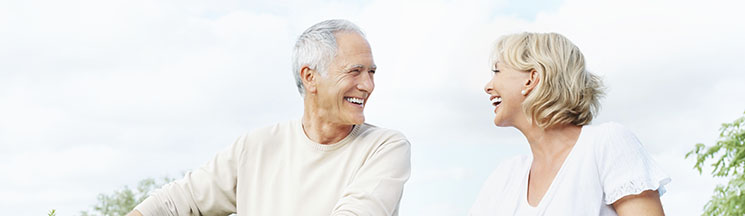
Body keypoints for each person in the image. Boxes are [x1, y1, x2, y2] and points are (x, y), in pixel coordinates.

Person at [127, 19, 411, 216]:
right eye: (355, 71)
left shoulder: (385, 147)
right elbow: (175, 202)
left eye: (371, 72)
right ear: (310, 77)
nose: (367, 85)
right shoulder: (255, 147)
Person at [470, 32, 670, 215]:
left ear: (531, 79)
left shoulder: (605, 144)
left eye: (497, 71)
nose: (488, 87)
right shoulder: (506, 176)